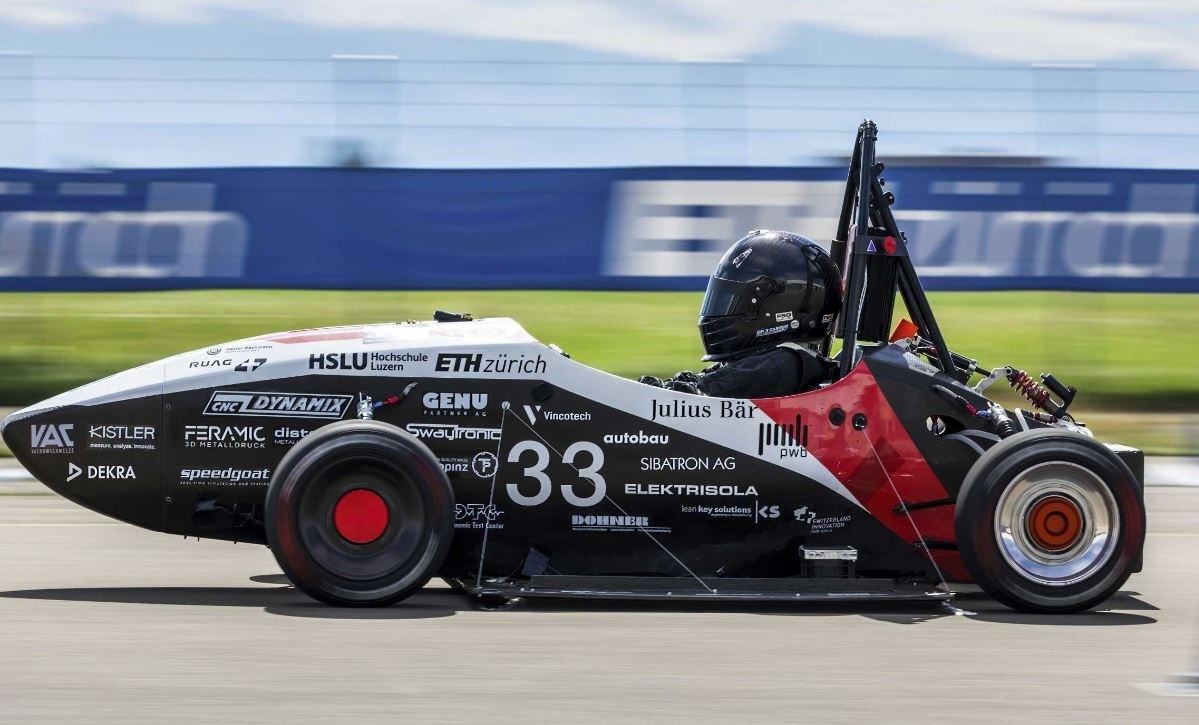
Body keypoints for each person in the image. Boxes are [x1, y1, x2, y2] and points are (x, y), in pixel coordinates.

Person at [640, 230, 843, 399]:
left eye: (731, 301)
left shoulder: (783, 364)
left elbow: (697, 398)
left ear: (779, 308)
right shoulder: (781, 359)